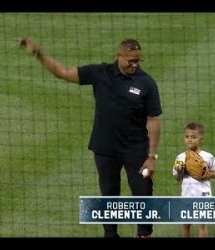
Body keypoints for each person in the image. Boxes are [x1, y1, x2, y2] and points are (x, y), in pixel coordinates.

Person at [19, 37, 162, 238]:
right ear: (119, 56)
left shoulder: (146, 83)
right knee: (109, 195)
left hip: (137, 151)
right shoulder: (99, 73)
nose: (135, 65)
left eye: (138, 60)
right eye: (130, 60)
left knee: (143, 193)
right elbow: (62, 73)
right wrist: (39, 54)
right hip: (105, 149)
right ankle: (110, 235)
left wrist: (152, 156)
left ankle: (144, 235)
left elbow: (154, 120)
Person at [172, 122, 215, 237]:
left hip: (203, 195)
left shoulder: (208, 156)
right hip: (186, 195)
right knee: (186, 224)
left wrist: (204, 174)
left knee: (202, 224)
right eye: (187, 137)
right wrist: (181, 171)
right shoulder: (180, 157)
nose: (189, 140)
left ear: (201, 138)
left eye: (193, 137)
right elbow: (178, 178)